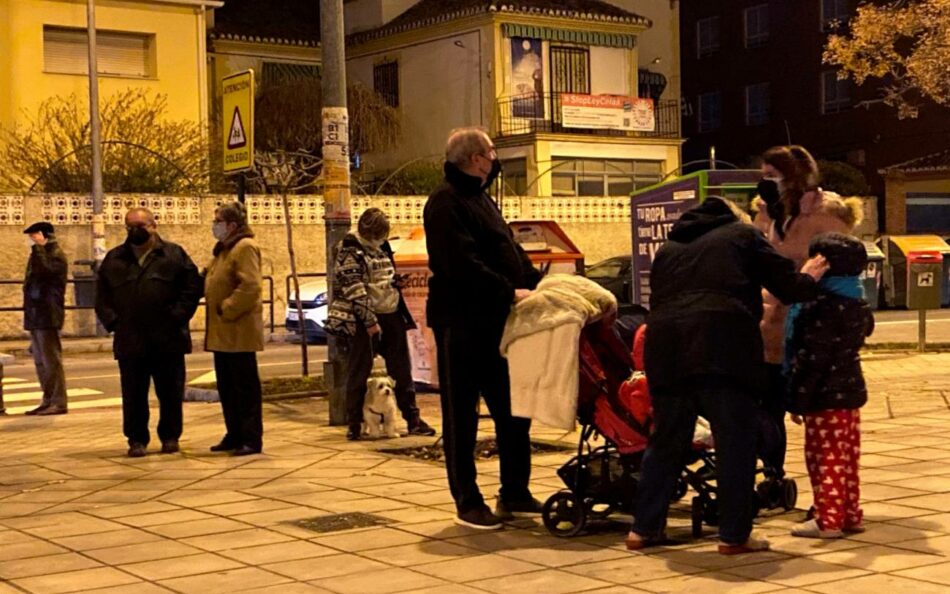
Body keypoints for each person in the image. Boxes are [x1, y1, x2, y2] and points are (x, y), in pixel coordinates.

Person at [627, 196, 829, 555]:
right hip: (722, 347)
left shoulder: (670, 248)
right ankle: (733, 535)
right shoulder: (741, 235)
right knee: (735, 442)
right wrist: (809, 276)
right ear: (734, 217)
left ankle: (643, 530)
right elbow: (787, 286)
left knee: (666, 441)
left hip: (666, 349)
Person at [424, 127, 542, 530]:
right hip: (462, 323)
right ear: (474, 158)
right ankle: (468, 501)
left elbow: (507, 247)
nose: (496, 159)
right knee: (462, 416)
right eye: (492, 152)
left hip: (497, 324)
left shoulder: (480, 197)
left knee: (513, 411)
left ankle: (515, 491)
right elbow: (460, 263)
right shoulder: (445, 202)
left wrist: (537, 283)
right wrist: (509, 291)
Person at [754, 145, 863, 477]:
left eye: (772, 175)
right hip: (767, 327)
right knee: (766, 406)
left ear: (795, 178)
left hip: (810, 330)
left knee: (819, 417)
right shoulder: (765, 214)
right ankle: (773, 476)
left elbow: (840, 269)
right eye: (764, 176)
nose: (765, 182)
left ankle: (830, 495)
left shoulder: (827, 216)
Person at [96, 208, 203, 457]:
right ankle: (136, 439)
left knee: (170, 392)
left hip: (168, 338)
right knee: (133, 393)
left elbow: (192, 288)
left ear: (153, 226)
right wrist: (115, 323)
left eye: (140, 225)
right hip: (131, 339)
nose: (135, 230)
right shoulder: (115, 259)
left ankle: (170, 436)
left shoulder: (173, 255)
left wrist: (178, 316)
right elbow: (102, 296)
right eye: (129, 225)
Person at [786, 233, 873, 538]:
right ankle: (849, 513)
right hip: (850, 391)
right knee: (847, 457)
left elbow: (813, 358)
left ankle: (828, 519)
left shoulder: (820, 306)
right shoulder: (857, 300)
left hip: (824, 394)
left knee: (825, 458)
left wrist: (796, 399)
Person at [325, 207, 436, 441]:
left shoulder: (382, 247)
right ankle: (355, 423)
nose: (381, 239)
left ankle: (412, 419)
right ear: (368, 232)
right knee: (358, 372)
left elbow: (384, 276)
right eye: (378, 234)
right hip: (365, 320)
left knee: (401, 370)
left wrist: (395, 281)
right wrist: (369, 321)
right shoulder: (349, 250)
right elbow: (354, 288)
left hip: (391, 312)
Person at [205, 202, 265, 456]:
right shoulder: (224, 250)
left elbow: (250, 285)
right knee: (227, 388)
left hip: (238, 330)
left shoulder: (244, 247)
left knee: (244, 388)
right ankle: (234, 433)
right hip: (222, 333)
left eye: (218, 220)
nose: (214, 225)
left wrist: (227, 308)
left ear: (231, 225)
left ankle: (250, 438)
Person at [22, 222, 68, 416]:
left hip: (48, 313)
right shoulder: (39, 255)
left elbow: (45, 273)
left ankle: (58, 401)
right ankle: (48, 399)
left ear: (44, 235)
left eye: (35, 235)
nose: (32, 239)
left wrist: (39, 249)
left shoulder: (54, 255)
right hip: (36, 313)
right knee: (41, 361)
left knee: (51, 360)